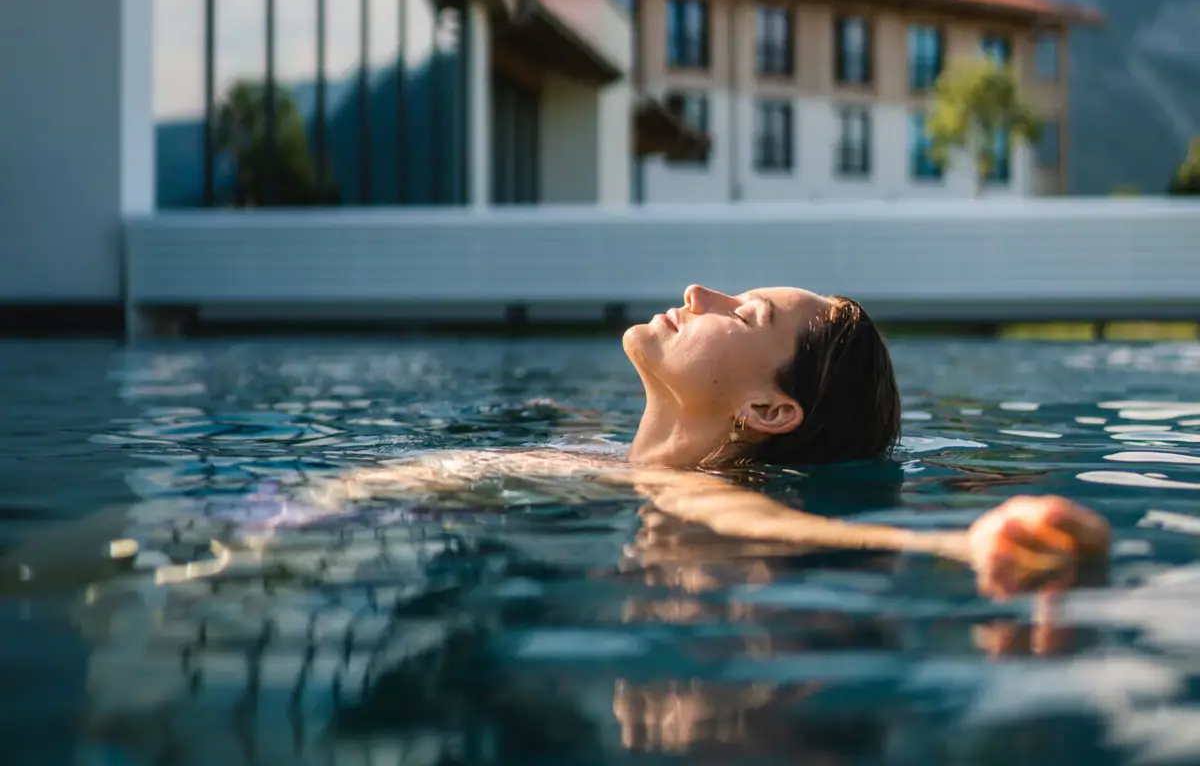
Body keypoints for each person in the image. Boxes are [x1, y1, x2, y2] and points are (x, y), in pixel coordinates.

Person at [303, 284, 1111, 599]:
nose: (699, 292)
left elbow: (779, 528)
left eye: (746, 312)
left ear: (769, 409)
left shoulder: (686, 490)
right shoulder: (601, 463)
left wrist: (961, 549)